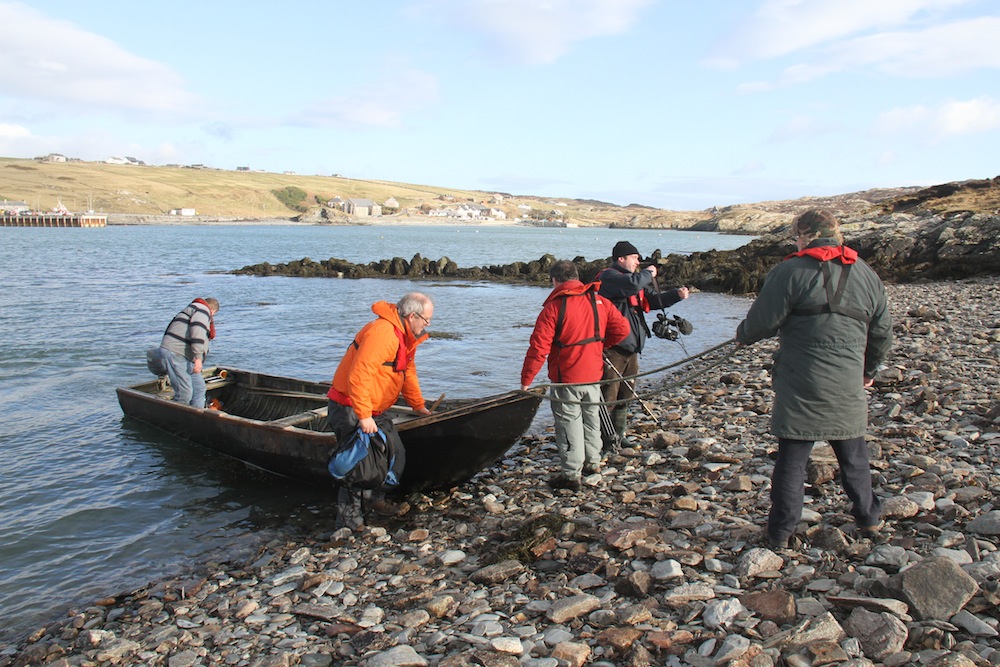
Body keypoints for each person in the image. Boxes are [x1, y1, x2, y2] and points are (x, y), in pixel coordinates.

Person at [735, 209, 893, 549]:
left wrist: (742, 335)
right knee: (853, 453)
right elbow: (881, 332)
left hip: (800, 381)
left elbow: (763, 321)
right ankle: (868, 518)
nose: (796, 241)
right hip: (848, 381)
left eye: (797, 235)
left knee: (792, 460)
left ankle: (780, 533)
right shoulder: (867, 274)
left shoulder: (790, 270)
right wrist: (869, 371)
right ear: (836, 234)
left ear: (805, 235)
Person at [326, 292, 434, 529]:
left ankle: (376, 502)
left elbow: (408, 374)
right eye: (426, 320)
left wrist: (418, 406)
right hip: (350, 407)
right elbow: (359, 374)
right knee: (359, 467)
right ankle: (349, 523)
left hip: (375, 409)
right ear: (412, 316)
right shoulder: (383, 333)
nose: (427, 325)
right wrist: (363, 416)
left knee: (395, 456)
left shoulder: (407, 338)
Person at [521, 260, 630, 490]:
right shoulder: (598, 300)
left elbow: (538, 348)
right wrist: (598, 346)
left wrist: (526, 381)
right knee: (591, 418)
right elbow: (622, 329)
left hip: (567, 378)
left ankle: (571, 475)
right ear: (576, 276)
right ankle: (593, 463)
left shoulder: (554, 307)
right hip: (593, 374)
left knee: (569, 423)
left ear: (555, 280)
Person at [598, 241, 690, 447]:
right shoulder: (609, 277)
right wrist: (648, 273)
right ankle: (603, 442)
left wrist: (676, 295)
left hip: (632, 349)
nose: (638, 262)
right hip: (612, 349)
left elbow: (653, 299)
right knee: (608, 396)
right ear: (621, 259)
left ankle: (619, 437)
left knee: (626, 394)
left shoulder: (633, 280)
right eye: (634, 258)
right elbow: (631, 285)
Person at [158, 297, 220, 408]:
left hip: (185, 356)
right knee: (185, 392)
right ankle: (179, 417)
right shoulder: (202, 310)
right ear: (212, 311)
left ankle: (198, 417)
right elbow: (198, 333)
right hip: (175, 352)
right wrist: (198, 359)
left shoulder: (195, 309)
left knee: (199, 388)